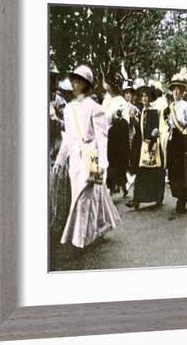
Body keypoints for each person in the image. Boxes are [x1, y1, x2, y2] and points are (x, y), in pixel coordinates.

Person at [52, 65, 121, 249]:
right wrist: (60, 160)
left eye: (78, 80)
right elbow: (68, 139)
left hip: (93, 158)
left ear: (86, 84)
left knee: (86, 197)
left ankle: (79, 239)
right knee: (89, 196)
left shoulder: (95, 108)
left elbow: (102, 138)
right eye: (73, 79)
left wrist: (103, 163)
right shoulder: (68, 109)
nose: (74, 83)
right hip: (75, 161)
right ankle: (99, 228)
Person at [125, 85, 165, 209]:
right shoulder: (142, 110)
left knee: (156, 172)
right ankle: (137, 199)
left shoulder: (154, 110)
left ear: (150, 97)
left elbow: (155, 126)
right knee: (142, 172)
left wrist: (155, 134)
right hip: (144, 145)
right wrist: (135, 120)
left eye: (146, 96)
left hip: (153, 144)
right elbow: (142, 127)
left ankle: (157, 197)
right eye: (142, 96)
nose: (144, 98)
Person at [165, 67, 187, 220]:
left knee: (182, 170)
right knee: (173, 169)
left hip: (183, 139)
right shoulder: (170, 107)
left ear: (183, 91)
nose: (176, 92)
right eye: (174, 90)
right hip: (172, 140)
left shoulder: (186, 106)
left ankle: (183, 198)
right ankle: (177, 194)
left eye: (179, 90)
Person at [102, 67, 130, 197]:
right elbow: (102, 115)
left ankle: (121, 184)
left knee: (119, 161)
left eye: (109, 84)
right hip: (107, 133)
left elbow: (125, 120)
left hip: (118, 135)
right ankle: (111, 186)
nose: (107, 87)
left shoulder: (121, 101)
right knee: (110, 161)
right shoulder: (107, 99)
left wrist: (116, 117)